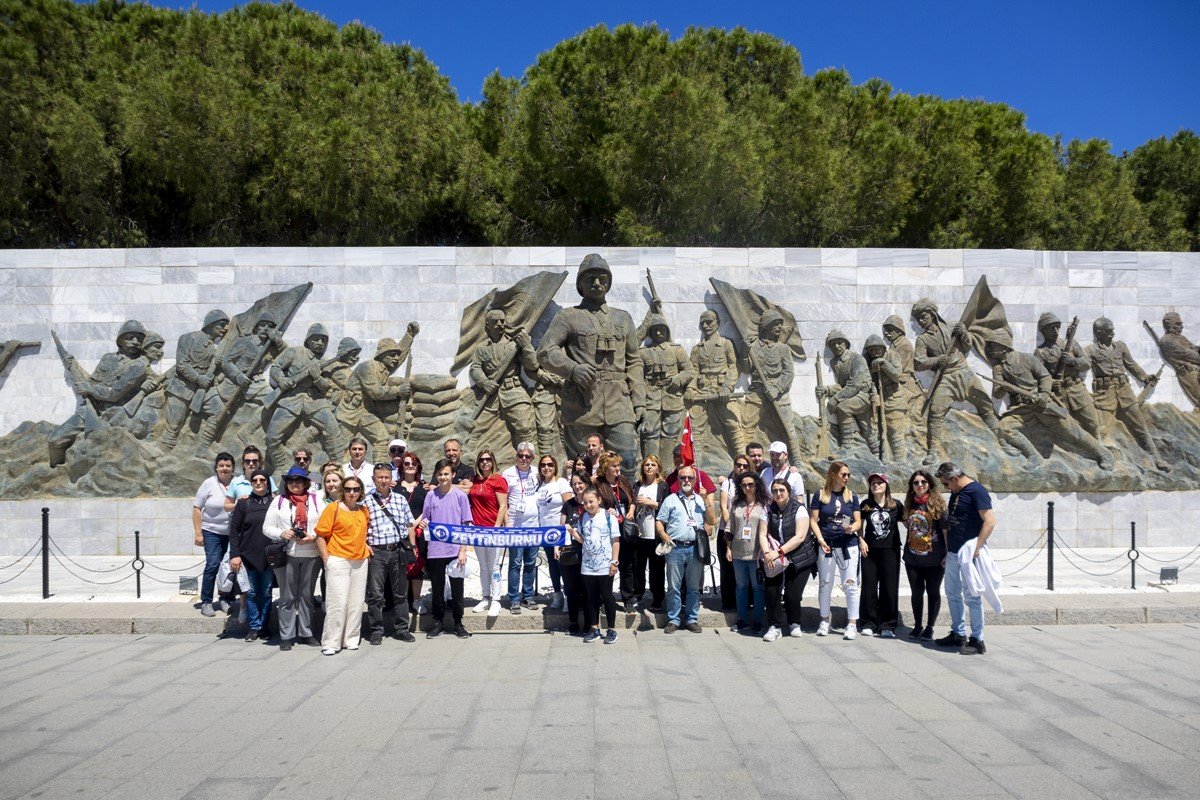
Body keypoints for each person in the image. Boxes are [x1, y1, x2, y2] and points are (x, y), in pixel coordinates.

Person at [935, 462, 994, 656]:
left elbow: (990, 521)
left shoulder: (977, 491)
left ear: (955, 479)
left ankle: (977, 639)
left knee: (972, 595)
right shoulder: (956, 492)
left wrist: (977, 547)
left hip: (969, 552)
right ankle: (958, 633)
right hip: (953, 551)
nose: (945, 488)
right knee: (952, 592)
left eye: (946, 484)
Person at [263, 466, 322, 651]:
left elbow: (325, 525)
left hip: (311, 552)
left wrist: (312, 535)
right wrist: (283, 532)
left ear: (306, 483)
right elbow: (267, 527)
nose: (294, 484)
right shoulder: (279, 501)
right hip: (287, 554)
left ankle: (306, 632)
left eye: (298, 480)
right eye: (290, 480)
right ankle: (286, 634)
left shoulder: (317, 500)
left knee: (306, 595)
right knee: (287, 596)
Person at [414, 459, 472, 639]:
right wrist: (424, 523)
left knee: (457, 587)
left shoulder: (460, 496)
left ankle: (458, 622)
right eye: (440, 474)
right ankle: (438, 622)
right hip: (436, 549)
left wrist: (463, 550)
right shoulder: (431, 495)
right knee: (437, 587)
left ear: (453, 475)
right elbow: (426, 518)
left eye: (446, 474)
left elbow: (466, 524)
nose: (443, 477)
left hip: (455, 549)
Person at [315, 475, 371, 655]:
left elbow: (364, 532)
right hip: (338, 560)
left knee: (356, 603)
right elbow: (320, 535)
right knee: (337, 602)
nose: (352, 493)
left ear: (361, 491)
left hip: (360, 561)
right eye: (348, 489)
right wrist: (327, 559)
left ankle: (351, 639)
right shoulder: (333, 508)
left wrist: (366, 547)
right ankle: (331, 642)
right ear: (342, 491)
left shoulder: (363, 510)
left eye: (355, 489)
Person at [656, 465, 715, 633]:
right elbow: (660, 520)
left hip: (695, 548)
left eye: (690, 478)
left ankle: (691, 618)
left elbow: (712, 521)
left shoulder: (700, 500)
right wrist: (663, 535)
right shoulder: (671, 500)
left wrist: (706, 502)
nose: (686, 481)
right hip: (675, 548)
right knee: (673, 586)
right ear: (679, 480)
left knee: (693, 587)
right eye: (683, 478)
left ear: (695, 480)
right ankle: (673, 619)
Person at [364, 464, 417, 646]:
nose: (383, 480)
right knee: (376, 594)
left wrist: (412, 545)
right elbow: (361, 526)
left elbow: (409, 524)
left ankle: (402, 629)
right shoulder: (366, 501)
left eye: (386, 477)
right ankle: (376, 630)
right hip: (377, 552)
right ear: (374, 479)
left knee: (400, 593)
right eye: (380, 477)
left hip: (396, 551)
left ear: (391, 479)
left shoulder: (401, 500)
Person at [810, 461, 863, 640]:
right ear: (833, 475)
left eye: (848, 475)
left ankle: (852, 623)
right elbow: (813, 520)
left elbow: (858, 521)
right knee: (825, 583)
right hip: (827, 543)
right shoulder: (820, 495)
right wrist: (820, 539)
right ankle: (824, 620)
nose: (846, 478)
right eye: (843, 474)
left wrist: (852, 528)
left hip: (848, 543)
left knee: (850, 584)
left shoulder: (851, 496)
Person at [760, 479, 816, 642]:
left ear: (789, 492)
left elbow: (799, 537)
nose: (778, 493)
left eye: (781, 490)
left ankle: (794, 622)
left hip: (799, 557)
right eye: (775, 490)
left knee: (793, 594)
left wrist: (778, 552)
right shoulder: (768, 510)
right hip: (775, 557)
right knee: (772, 591)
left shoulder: (799, 509)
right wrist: (766, 552)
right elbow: (762, 534)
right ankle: (774, 625)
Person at [228, 470, 274, 642]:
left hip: (270, 556)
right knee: (252, 593)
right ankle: (254, 627)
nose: (259, 482)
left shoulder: (275, 503)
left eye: (262, 479)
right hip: (248, 556)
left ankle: (264, 626)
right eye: (255, 480)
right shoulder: (243, 504)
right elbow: (234, 531)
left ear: (267, 482)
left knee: (267, 593)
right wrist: (235, 555)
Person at [901, 469, 946, 641]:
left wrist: (947, 553)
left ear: (929, 485)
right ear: (912, 486)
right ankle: (918, 625)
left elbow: (945, 530)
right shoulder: (909, 504)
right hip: (913, 557)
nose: (920, 485)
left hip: (934, 558)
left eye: (923, 482)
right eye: (916, 483)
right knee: (916, 591)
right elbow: (908, 524)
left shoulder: (938, 505)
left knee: (933, 591)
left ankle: (930, 627)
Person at [858, 473, 904, 639]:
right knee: (869, 587)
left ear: (886, 485)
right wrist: (861, 540)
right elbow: (859, 525)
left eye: (879, 483)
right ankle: (868, 622)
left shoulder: (896, 505)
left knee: (889, 587)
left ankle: (887, 624)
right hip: (869, 551)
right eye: (873, 483)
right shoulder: (865, 505)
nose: (876, 485)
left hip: (890, 550)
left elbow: (908, 522)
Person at [595, 452, 637, 614]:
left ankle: (628, 599)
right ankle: (606, 600)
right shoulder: (599, 484)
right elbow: (593, 504)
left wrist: (631, 510)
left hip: (624, 530)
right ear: (606, 469)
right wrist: (606, 511)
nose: (618, 469)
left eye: (618, 465)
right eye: (614, 466)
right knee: (608, 566)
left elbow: (631, 500)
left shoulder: (624, 481)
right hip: (607, 532)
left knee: (627, 566)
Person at [193, 452, 235, 617]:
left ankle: (226, 598)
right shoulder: (208, 484)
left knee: (231, 567)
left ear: (233, 468)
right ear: (216, 468)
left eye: (228, 466)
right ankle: (207, 601)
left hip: (232, 533)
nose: (225, 469)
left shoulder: (237, 483)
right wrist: (198, 533)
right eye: (222, 466)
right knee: (213, 564)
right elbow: (197, 508)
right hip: (211, 532)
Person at [576, 488, 620, 644]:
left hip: (605, 564)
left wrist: (614, 562)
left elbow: (615, 540)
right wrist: (573, 533)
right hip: (588, 565)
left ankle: (612, 629)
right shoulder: (583, 518)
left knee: (607, 597)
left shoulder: (608, 517)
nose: (588, 505)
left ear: (599, 500)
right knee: (591, 598)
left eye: (591, 502)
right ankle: (594, 628)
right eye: (585, 502)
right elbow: (582, 540)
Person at [468, 449, 508, 614]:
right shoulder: (475, 481)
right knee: (483, 566)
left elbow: (503, 506)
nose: (485, 462)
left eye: (488, 459)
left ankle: (496, 599)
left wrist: (497, 527)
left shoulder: (498, 480)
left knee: (494, 566)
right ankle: (485, 597)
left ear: (493, 461)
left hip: (493, 529)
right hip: (478, 530)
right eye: (481, 460)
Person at [726, 471, 767, 633]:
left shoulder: (764, 505)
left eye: (750, 484)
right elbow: (730, 528)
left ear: (756, 485)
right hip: (738, 552)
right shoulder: (736, 505)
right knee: (741, 586)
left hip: (756, 554)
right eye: (744, 485)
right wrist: (728, 548)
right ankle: (742, 619)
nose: (747, 488)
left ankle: (757, 620)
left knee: (757, 587)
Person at [502, 442, 541, 613]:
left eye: (527, 456)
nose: (524, 458)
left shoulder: (538, 473)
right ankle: (514, 598)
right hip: (515, 525)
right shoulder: (508, 473)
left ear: (532, 458)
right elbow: (503, 501)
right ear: (516, 456)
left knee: (531, 562)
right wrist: (506, 523)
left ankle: (528, 596)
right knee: (515, 563)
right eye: (521, 455)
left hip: (533, 525)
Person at [632, 455, 669, 613]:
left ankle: (658, 598)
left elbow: (667, 507)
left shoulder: (662, 486)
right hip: (640, 532)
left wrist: (650, 503)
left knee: (657, 568)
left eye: (653, 464)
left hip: (655, 532)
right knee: (638, 567)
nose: (649, 467)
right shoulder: (638, 485)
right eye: (646, 464)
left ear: (658, 468)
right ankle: (638, 594)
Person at [717, 455, 754, 611]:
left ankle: (749, 601)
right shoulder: (728, 483)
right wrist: (731, 527)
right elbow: (724, 506)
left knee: (748, 564)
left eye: (745, 466)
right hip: (728, 530)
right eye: (738, 465)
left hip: (747, 531)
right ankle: (729, 602)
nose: (741, 468)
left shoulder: (752, 484)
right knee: (727, 567)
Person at [535, 454, 572, 610]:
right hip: (545, 531)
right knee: (552, 564)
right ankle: (557, 594)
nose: (546, 468)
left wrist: (566, 529)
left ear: (555, 466)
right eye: (543, 465)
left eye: (550, 464)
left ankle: (568, 596)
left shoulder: (561, 483)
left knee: (563, 564)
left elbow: (569, 505)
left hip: (560, 530)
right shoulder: (540, 485)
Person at [557, 472, 591, 634]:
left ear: (587, 483)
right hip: (570, 552)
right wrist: (558, 546)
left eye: (580, 483)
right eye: (575, 483)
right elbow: (562, 528)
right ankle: (573, 621)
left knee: (586, 588)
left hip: (588, 552)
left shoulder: (591, 503)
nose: (577, 486)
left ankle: (588, 622)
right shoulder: (568, 504)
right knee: (571, 589)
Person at [395, 452, 428, 616]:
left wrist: (415, 523)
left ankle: (416, 599)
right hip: (400, 532)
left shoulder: (424, 487)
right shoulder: (394, 487)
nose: (410, 466)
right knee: (401, 566)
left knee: (417, 565)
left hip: (419, 531)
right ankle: (403, 602)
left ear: (418, 467)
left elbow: (428, 508)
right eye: (407, 463)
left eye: (413, 464)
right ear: (402, 466)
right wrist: (408, 524)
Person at [223, 445, 277, 510]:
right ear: (243, 463)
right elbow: (226, 507)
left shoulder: (268, 479)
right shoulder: (236, 482)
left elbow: (275, 502)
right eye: (247, 461)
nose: (251, 464)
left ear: (259, 463)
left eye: (254, 461)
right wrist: (241, 504)